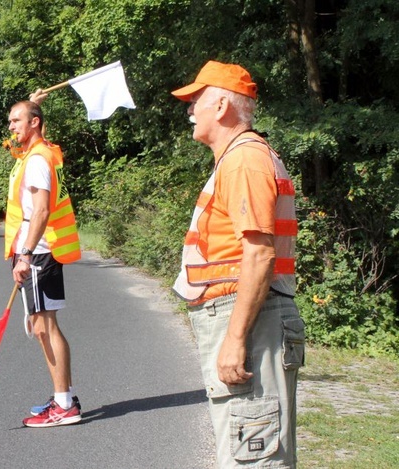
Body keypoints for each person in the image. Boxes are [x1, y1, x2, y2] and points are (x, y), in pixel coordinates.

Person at [170, 61, 305, 468]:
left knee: (254, 455)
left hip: (251, 320)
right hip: (250, 318)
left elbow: (259, 254)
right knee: (249, 446)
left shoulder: (244, 160)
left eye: (197, 100)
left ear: (223, 105)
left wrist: (235, 338)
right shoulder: (238, 157)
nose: (190, 109)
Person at [5, 97, 82, 427]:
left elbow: (41, 211)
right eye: (9, 121)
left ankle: (64, 404)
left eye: (17, 121)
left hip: (39, 252)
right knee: (41, 326)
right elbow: (14, 146)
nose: (11, 127)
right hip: (38, 251)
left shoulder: (37, 160)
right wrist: (31, 106)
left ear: (34, 123)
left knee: (45, 326)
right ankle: (62, 394)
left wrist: (25, 254)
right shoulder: (35, 153)